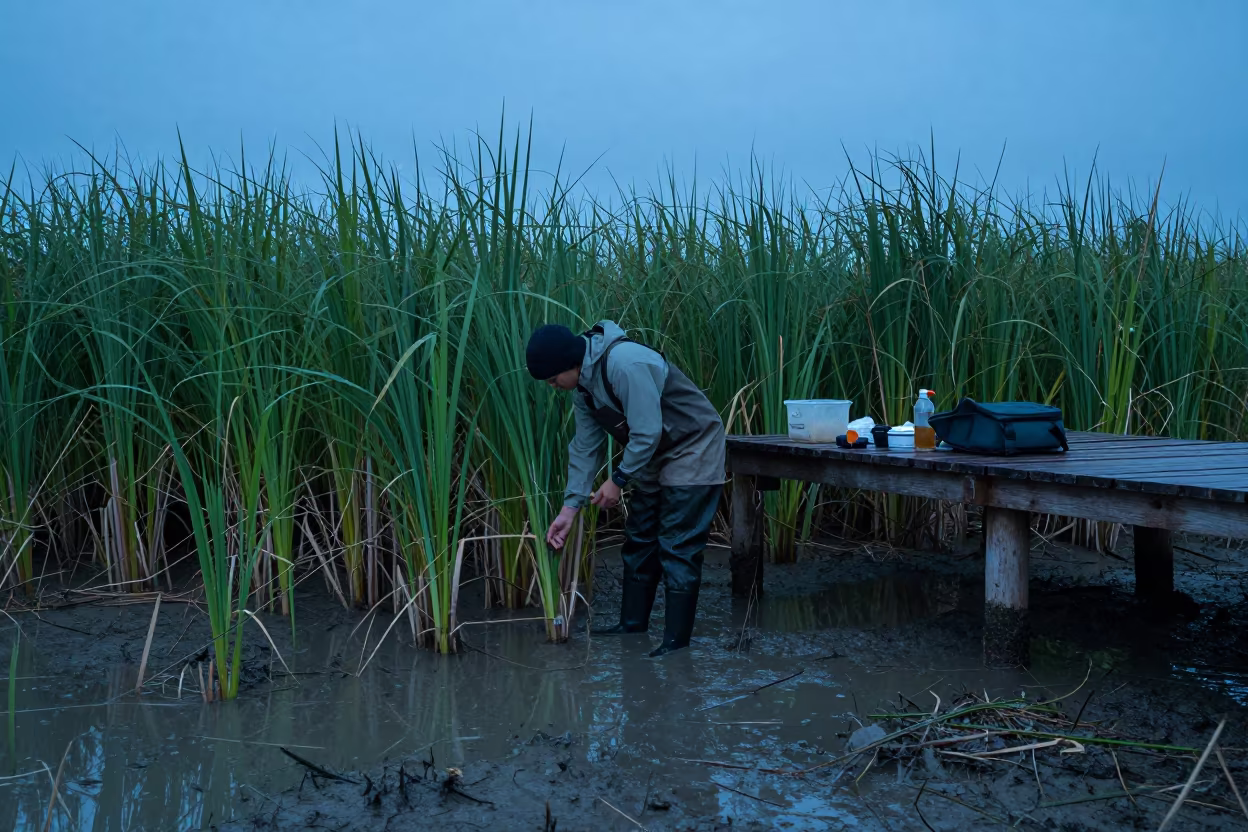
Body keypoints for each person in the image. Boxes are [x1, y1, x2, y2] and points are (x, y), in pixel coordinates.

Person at [525, 320, 726, 657]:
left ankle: (675, 645)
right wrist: (569, 508)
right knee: (640, 538)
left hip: (693, 445)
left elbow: (647, 431)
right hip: (653, 452)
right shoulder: (584, 391)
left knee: (677, 545)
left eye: (552, 378)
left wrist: (617, 480)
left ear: (569, 363)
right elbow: (584, 448)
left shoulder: (625, 363)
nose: (552, 385)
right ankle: (633, 625)